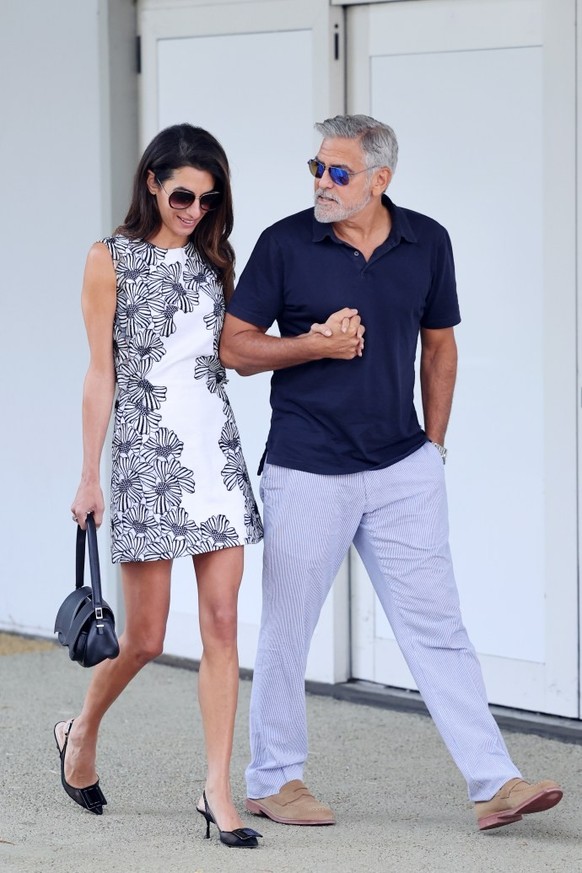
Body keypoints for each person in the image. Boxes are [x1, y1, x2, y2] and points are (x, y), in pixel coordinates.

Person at [218, 114, 563, 832]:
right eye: (315, 167)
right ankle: (272, 780)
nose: (321, 182)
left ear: (381, 179)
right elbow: (236, 348)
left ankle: (494, 782)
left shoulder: (427, 242)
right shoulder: (285, 243)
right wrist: (312, 343)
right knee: (287, 629)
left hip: (403, 465)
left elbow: (440, 348)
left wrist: (432, 449)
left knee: (438, 628)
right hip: (308, 466)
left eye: (338, 172)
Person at [56, 124, 263, 849]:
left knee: (224, 625)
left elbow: (231, 353)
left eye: (208, 200)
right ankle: (80, 731)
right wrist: (89, 473)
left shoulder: (217, 261)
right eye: (182, 194)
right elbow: (99, 372)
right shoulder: (108, 258)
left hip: (217, 456)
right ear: (151, 183)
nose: (194, 209)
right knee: (142, 638)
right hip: (147, 461)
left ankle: (216, 788)